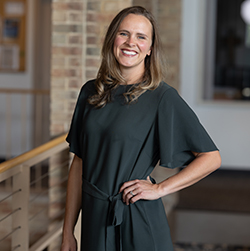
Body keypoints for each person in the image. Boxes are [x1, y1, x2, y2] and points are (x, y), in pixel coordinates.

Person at [61, 6, 221, 251]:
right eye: (124, 33)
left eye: (141, 37)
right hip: (94, 219)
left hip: (137, 218)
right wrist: (68, 232)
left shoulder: (162, 97)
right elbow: (79, 163)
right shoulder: (90, 92)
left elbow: (211, 158)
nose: (131, 42)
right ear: (112, 39)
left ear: (150, 49)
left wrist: (160, 189)